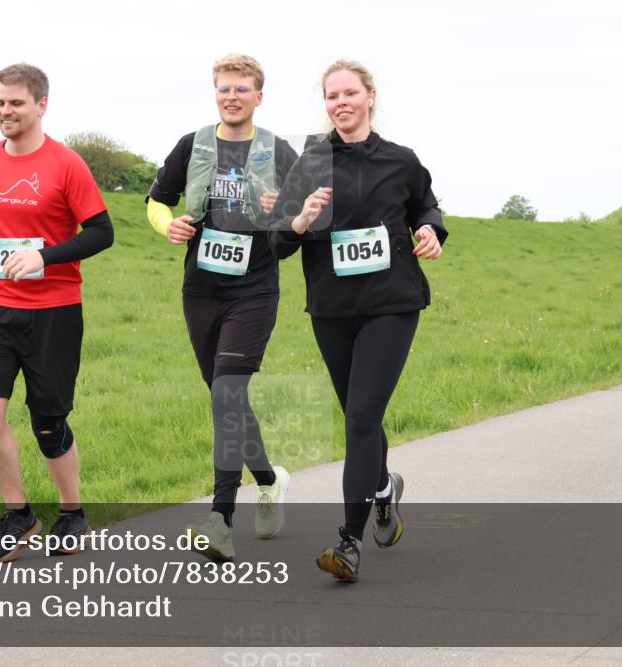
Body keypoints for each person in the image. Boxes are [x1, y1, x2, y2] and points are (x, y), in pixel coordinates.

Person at [270, 60, 447, 581]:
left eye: (349, 93)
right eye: (331, 96)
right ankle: (384, 487)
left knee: (360, 418)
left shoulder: (401, 160)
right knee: (357, 411)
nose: (340, 103)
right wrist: (300, 220)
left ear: (370, 96)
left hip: (392, 302)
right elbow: (278, 238)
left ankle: (348, 542)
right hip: (332, 307)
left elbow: (426, 208)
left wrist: (433, 232)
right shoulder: (309, 163)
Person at [0, 63, 114, 563]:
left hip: (54, 312)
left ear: (40, 106)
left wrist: (45, 255)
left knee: (48, 423)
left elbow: (102, 232)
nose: (5, 111)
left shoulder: (65, 165)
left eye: (15, 103)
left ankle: (72, 512)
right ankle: (19, 515)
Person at [147, 54, 298, 561]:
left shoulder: (278, 150)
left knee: (228, 392)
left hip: (254, 290)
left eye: (241, 88)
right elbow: (156, 199)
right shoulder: (193, 145)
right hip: (201, 289)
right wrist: (166, 225)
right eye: (222, 88)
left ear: (259, 95)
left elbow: (310, 217)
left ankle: (220, 519)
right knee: (224, 397)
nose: (231, 96)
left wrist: (290, 211)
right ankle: (269, 479)